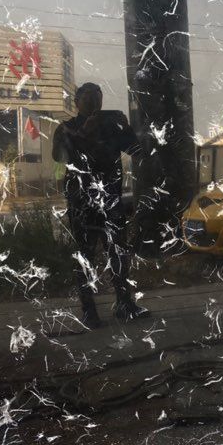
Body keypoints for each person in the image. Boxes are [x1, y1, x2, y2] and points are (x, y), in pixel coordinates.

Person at [52, 82, 149, 328]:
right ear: (77, 103)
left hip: (110, 201)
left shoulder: (111, 126)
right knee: (85, 257)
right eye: (88, 98)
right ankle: (89, 311)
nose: (94, 103)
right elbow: (60, 157)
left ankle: (125, 305)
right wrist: (84, 131)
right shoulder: (66, 128)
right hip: (82, 203)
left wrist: (126, 127)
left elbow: (136, 150)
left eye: (98, 98)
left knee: (118, 254)